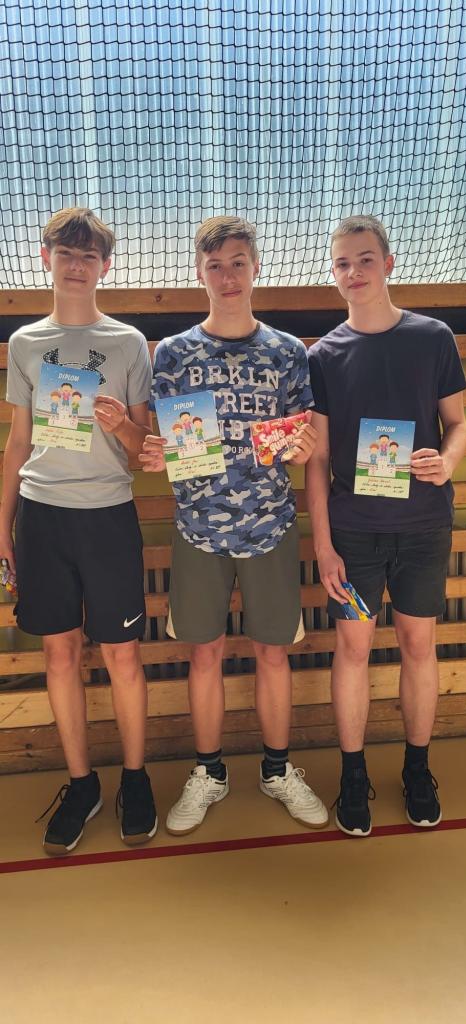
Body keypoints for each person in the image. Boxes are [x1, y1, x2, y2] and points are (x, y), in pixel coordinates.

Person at [141, 215, 328, 835]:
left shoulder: (287, 351)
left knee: (274, 653)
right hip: (199, 528)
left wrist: (302, 447)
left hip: (270, 525)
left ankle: (277, 769)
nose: (227, 276)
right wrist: (158, 454)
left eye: (238, 263)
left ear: (256, 268)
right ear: (200, 273)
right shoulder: (173, 353)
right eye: (215, 265)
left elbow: (302, 437)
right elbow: (171, 442)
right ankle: (209, 772)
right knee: (205, 653)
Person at [0, 207, 165, 855]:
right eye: (65, 253)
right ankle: (81, 783)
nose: (76, 265)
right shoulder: (24, 344)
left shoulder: (127, 343)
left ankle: (135, 778)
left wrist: (121, 423)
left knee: (122, 655)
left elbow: (144, 449)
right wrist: (3, 527)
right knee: (60, 654)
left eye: (88, 255)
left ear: (105, 266)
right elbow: (18, 442)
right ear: (45, 259)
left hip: (108, 517)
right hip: (41, 517)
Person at [306, 214, 466, 837]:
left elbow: (457, 426)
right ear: (334, 274)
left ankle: (417, 769)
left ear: (388, 264)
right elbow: (317, 458)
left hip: (423, 528)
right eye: (343, 263)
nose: (354, 272)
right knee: (352, 649)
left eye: (365, 259)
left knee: (418, 646)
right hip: (354, 535)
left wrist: (446, 461)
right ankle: (354, 775)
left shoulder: (433, 338)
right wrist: (324, 545)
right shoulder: (323, 356)